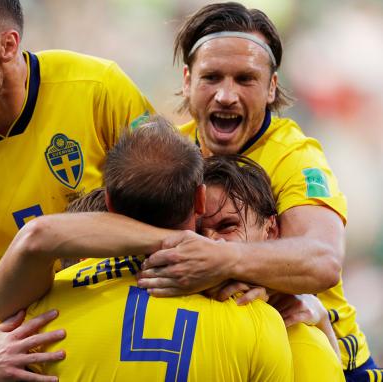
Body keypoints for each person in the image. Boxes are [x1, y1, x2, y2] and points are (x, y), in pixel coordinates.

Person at [0, 120, 342, 381]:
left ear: (111, 206)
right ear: (197, 202)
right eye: (201, 231)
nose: (209, 245)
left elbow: (36, 240)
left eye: (227, 227)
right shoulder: (262, 326)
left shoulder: (30, 321)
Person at [0, 0, 152, 374]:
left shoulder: (98, 88)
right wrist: (18, 329)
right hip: (18, 323)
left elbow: (171, 203)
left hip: (118, 298)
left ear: (7, 45)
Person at [134, 3, 378, 379]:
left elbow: (322, 259)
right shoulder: (169, 155)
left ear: (271, 87)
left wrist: (220, 260)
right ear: (187, 80)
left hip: (323, 354)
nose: (226, 96)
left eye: (245, 79)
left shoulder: (293, 155)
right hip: (225, 349)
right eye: (211, 77)